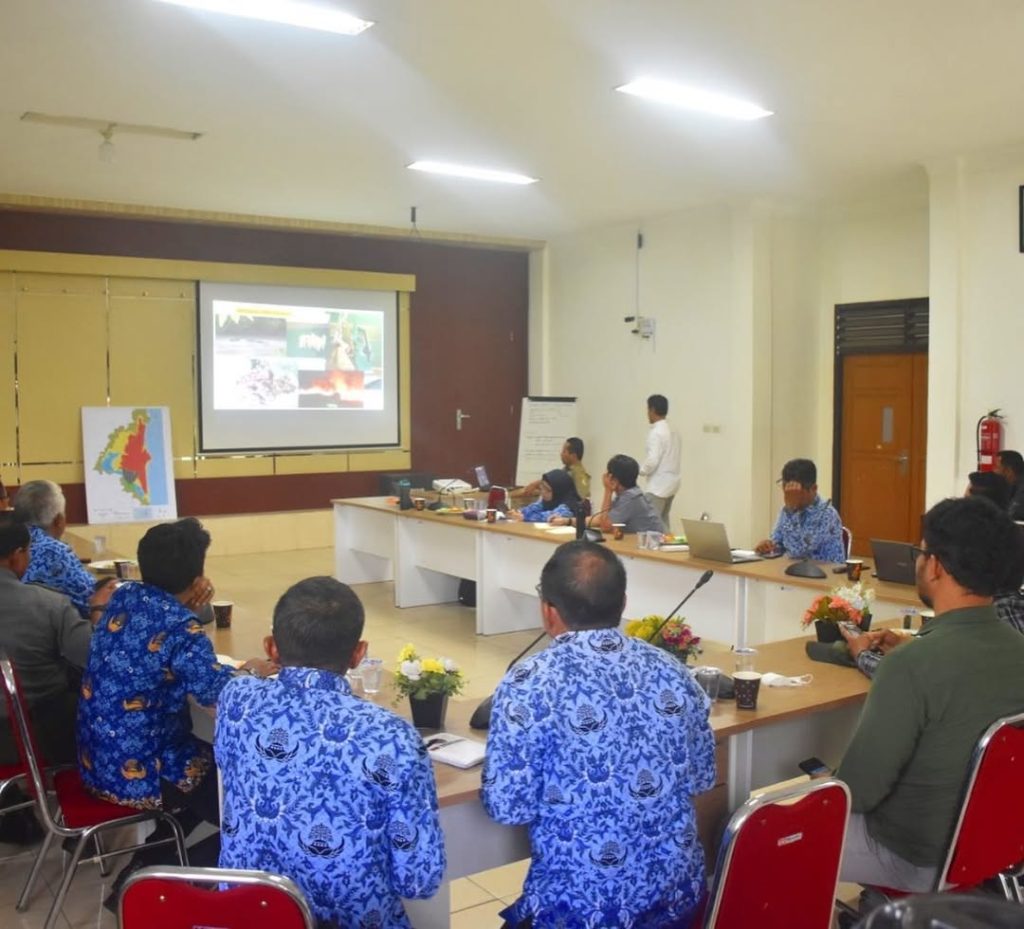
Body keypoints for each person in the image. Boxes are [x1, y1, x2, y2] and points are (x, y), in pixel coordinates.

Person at [482, 541, 716, 928]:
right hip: (676, 901)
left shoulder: (529, 682)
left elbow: (508, 807)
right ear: (623, 603)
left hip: (578, 910)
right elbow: (703, 777)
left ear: (548, 611)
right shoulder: (672, 669)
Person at [216, 576, 444, 929]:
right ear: (358, 654)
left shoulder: (237, 699)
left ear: (271, 647)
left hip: (243, 916)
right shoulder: (392, 736)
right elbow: (418, 880)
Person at [836, 496, 1024, 893]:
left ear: (935, 565)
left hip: (914, 857)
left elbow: (858, 792)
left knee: (760, 839)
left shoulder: (908, 667)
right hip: (997, 845)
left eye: (920, 553)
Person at [77, 517, 275, 822]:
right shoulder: (180, 627)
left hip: (96, 763)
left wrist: (186, 607)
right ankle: (195, 846)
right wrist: (252, 671)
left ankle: (166, 842)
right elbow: (219, 697)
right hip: (144, 775)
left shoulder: (123, 595)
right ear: (197, 580)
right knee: (247, 784)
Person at [0, 512, 99, 768]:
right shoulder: (49, 604)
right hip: (39, 735)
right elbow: (94, 657)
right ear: (17, 555)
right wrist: (100, 615)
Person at [13, 479, 106, 619]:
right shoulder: (55, 552)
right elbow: (91, 599)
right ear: (58, 520)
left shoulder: (8, 541)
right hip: (44, 629)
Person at [755, 458, 845, 562]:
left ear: (814, 489)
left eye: (796, 492)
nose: (790, 496)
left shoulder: (827, 514)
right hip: (794, 570)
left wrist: (792, 511)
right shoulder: (786, 511)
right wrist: (768, 546)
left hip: (825, 570)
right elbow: (779, 543)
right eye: (787, 490)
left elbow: (799, 552)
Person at [589, 454, 664, 534]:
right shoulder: (631, 494)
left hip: (650, 541)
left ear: (614, 479)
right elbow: (601, 518)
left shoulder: (630, 498)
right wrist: (578, 521)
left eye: (607, 475)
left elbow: (605, 526)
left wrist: (608, 491)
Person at [639, 394, 682, 531]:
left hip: (658, 486)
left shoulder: (656, 432)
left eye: (647, 409)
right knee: (663, 520)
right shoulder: (673, 430)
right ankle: (669, 543)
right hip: (672, 483)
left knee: (652, 523)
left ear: (652, 410)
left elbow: (652, 460)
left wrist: (639, 470)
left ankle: (665, 544)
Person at [517, 437, 591, 502]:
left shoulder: (579, 474)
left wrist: (536, 484)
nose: (561, 454)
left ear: (573, 456)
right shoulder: (567, 469)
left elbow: (583, 497)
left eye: (564, 451)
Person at [507, 469, 580, 523]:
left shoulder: (569, 507)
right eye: (542, 487)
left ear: (558, 492)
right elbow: (531, 509)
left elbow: (548, 517)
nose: (543, 492)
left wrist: (524, 517)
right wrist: (517, 513)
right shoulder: (545, 501)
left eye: (548, 490)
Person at [997, 450, 1024, 520]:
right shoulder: (1012, 483)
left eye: (998, 467)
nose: (996, 471)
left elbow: (1013, 514)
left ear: (1008, 470)